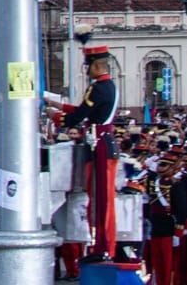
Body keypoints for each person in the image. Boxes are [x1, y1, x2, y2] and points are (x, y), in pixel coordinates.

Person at [55, 44, 119, 262]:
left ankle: (103, 247)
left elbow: (80, 115)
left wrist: (57, 117)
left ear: (97, 65)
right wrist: (58, 106)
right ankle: (100, 245)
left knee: (102, 200)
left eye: (88, 65)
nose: (86, 69)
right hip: (100, 143)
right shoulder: (107, 86)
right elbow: (83, 110)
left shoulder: (98, 88)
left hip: (100, 144)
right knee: (97, 198)